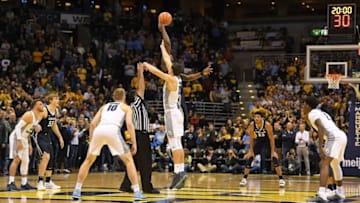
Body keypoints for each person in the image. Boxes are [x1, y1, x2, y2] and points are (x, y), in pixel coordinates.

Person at [72, 88, 146, 201]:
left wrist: (92, 140)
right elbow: (130, 125)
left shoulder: (104, 107)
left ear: (113, 97)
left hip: (99, 130)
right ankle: (137, 192)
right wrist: (134, 143)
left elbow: (92, 124)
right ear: (124, 97)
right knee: (129, 161)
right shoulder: (126, 107)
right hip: (113, 130)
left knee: (88, 161)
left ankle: (77, 190)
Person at [142, 40, 187, 189]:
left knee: (174, 144)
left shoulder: (171, 79)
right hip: (177, 113)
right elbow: (168, 61)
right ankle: (180, 172)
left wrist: (148, 66)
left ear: (173, 70)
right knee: (178, 143)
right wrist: (162, 48)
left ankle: (178, 173)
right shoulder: (177, 77)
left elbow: (158, 73)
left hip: (172, 113)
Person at [119, 63, 160, 194]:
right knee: (146, 162)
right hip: (141, 135)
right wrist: (140, 71)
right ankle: (147, 187)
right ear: (135, 96)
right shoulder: (138, 102)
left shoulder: (128, 107)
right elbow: (141, 85)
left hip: (134, 135)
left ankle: (126, 185)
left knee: (135, 161)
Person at [304, 96, 347, 202]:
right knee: (334, 164)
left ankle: (322, 194)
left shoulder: (312, 113)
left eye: (304, 104)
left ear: (308, 105)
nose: (303, 107)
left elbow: (321, 127)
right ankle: (340, 192)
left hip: (334, 137)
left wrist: (320, 147)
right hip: (341, 135)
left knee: (324, 163)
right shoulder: (321, 112)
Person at [240, 111, 285, 187]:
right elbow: (251, 138)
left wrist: (273, 151)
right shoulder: (252, 125)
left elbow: (271, 139)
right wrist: (251, 151)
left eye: (258, 117)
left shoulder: (267, 125)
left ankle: (281, 179)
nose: (256, 118)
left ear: (262, 118)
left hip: (267, 142)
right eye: (255, 117)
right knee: (250, 157)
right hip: (258, 141)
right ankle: (244, 178)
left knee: (274, 158)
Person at [6, 99, 44, 191]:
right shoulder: (29, 114)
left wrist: (29, 143)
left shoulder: (38, 117)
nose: (42, 105)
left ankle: (24, 183)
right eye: (40, 104)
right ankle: (10, 183)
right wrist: (19, 141)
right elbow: (18, 127)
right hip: (17, 137)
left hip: (25, 138)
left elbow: (28, 130)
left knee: (26, 160)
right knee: (17, 159)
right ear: (35, 105)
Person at [36, 93, 65, 190]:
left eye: (58, 98)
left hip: (48, 136)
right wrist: (36, 124)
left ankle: (48, 181)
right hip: (39, 135)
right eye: (56, 99)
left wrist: (60, 137)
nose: (58, 100)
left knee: (51, 158)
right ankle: (40, 181)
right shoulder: (44, 110)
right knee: (46, 156)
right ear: (50, 100)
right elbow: (36, 119)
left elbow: (54, 124)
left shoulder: (56, 111)